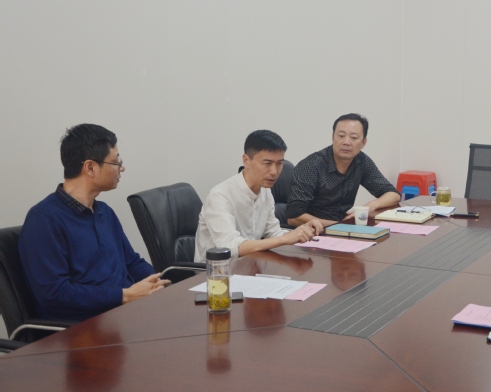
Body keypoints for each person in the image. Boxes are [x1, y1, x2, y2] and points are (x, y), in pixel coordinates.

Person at [18, 124, 169, 322]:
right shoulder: (43, 221)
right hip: (84, 328)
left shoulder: (104, 212)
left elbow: (132, 263)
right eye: (115, 162)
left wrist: (157, 285)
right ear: (90, 167)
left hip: (125, 314)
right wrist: (124, 295)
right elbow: (54, 294)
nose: (121, 168)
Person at [194, 130, 323, 262]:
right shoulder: (220, 196)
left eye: (279, 163)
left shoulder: (265, 191)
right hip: (215, 271)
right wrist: (284, 239)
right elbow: (230, 247)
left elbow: (273, 233)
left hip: (250, 265)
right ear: (246, 160)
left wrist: (302, 231)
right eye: (267, 163)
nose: (274, 172)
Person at [286, 113, 401, 227]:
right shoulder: (311, 166)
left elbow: (393, 194)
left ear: (363, 143)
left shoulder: (361, 161)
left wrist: (369, 206)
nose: (346, 142)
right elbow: (294, 217)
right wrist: (340, 226)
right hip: (310, 232)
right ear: (333, 137)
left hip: (341, 228)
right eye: (341, 136)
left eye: (354, 137)